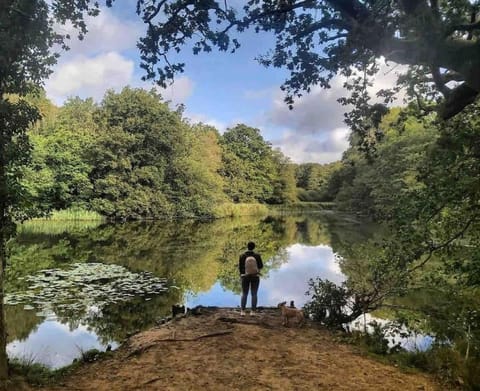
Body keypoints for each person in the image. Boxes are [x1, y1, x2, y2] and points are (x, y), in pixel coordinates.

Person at [238, 241, 263, 316]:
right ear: (254, 247)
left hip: (245, 277)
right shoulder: (257, 255)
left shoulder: (242, 255)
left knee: (244, 294)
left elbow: (240, 268)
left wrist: (243, 274)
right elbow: (261, 266)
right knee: (254, 294)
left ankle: (242, 311)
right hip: (255, 277)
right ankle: (253, 311)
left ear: (247, 247)